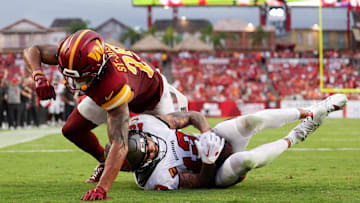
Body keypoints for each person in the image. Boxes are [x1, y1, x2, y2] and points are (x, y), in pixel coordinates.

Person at [23, 29, 187, 200]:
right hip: (112, 85)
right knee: (72, 130)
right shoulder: (76, 56)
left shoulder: (113, 83)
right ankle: (103, 161)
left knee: (166, 158)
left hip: (153, 98)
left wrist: (102, 188)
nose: (73, 83)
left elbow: (119, 142)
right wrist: (38, 75)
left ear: (96, 70)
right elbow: (32, 50)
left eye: (79, 77)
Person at [109, 94, 347, 191]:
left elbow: (193, 115)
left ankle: (312, 111)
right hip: (215, 171)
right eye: (149, 154)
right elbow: (203, 183)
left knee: (251, 121)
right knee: (247, 160)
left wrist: (206, 133)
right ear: (142, 165)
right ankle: (297, 135)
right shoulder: (153, 180)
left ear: (141, 136)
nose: (153, 148)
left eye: (148, 144)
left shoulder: (149, 125)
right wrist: (208, 160)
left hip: (214, 138)